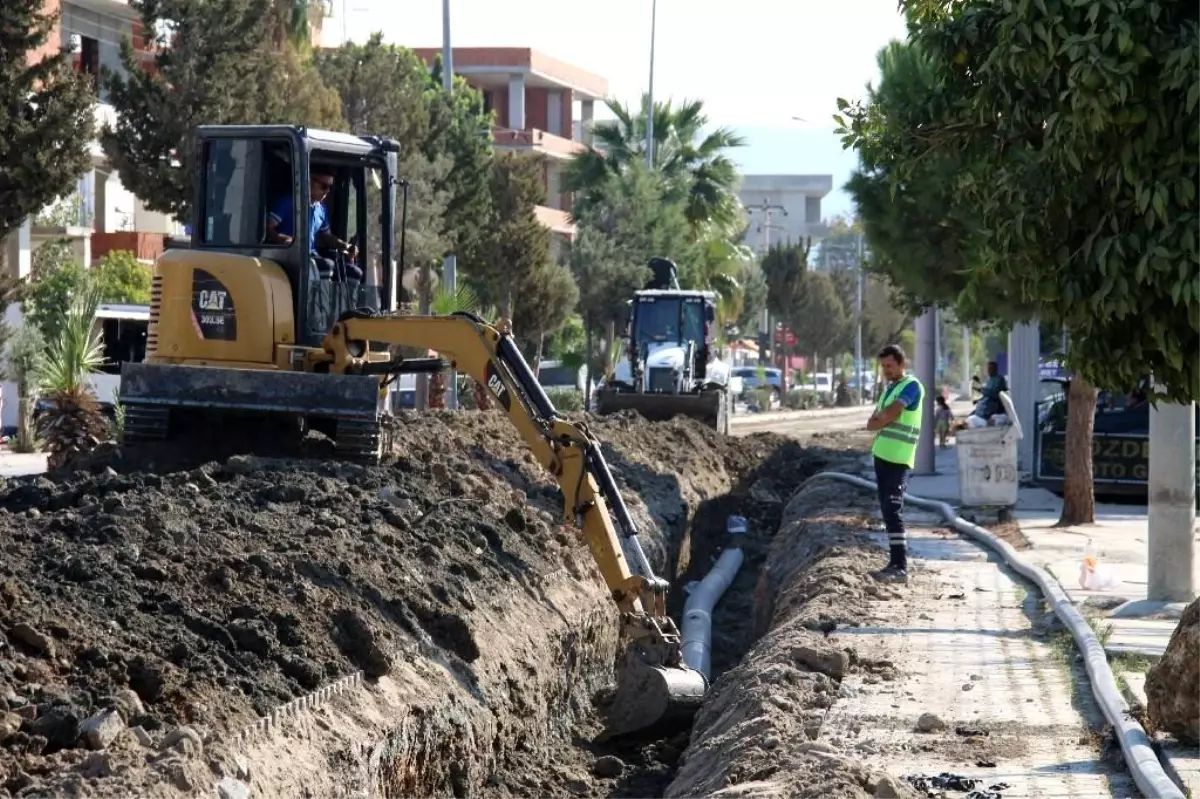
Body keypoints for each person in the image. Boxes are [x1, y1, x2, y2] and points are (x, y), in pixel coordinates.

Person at [866, 343, 925, 582]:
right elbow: (873, 420)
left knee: (893, 509)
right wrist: (879, 419)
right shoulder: (890, 389)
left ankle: (900, 566)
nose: (886, 370)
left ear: (902, 364)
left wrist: (882, 419)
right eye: (883, 367)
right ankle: (893, 563)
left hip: (899, 458)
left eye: (890, 365)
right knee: (887, 512)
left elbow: (891, 414)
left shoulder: (911, 386)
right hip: (882, 456)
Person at [265, 167, 359, 278]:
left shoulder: (321, 208)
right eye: (324, 186)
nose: (327, 191)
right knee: (326, 266)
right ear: (308, 181)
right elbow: (267, 228)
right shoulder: (288, 203)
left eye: (330, 187)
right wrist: (283, 240)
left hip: (311, 256)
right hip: (288, 257)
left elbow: (325, 235)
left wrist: (344, 246)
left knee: (354, 272)